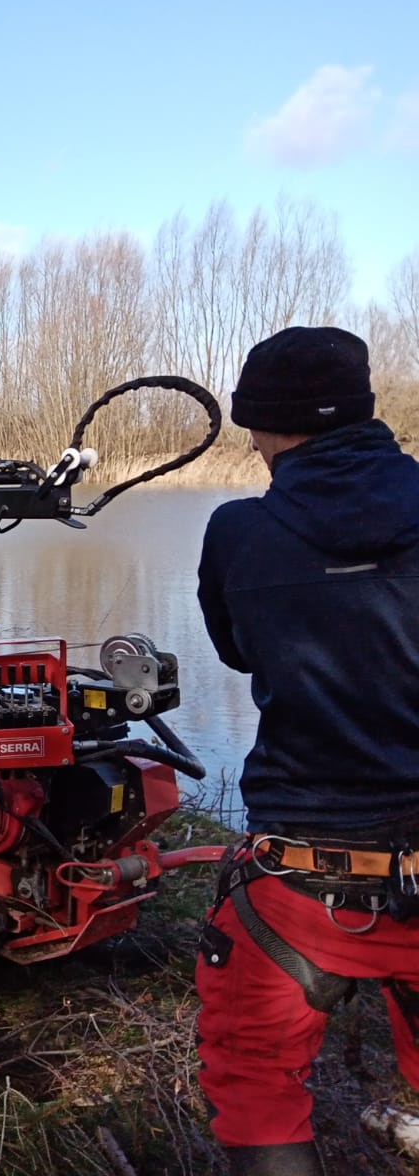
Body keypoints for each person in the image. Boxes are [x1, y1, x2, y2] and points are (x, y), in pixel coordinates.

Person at [195, 325, 419, 1175]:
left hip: (301, 880)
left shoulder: (239, 531)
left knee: (254, 1079)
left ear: (264, 425)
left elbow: (238, 650)